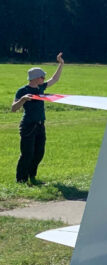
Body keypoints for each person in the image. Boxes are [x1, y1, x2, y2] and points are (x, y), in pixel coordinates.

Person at [11, 53, 64, 184]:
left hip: (41, 125)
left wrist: (61, 64)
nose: (44, 78)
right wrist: (23, 99)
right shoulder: (22, 90)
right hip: (28, 126)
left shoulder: (40, 87)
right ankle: (21, 180)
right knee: (27, 154)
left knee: (39, 153)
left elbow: (54, 79)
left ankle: (32, 175)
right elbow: (13, 108)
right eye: (42, 77)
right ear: (35, 78)